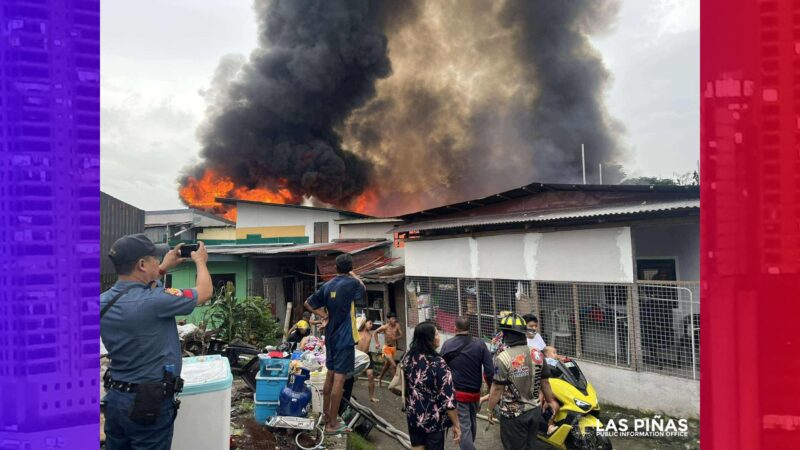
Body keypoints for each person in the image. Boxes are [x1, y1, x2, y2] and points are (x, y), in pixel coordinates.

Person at [101, 236, 212, 449]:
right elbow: (205, 292)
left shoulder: (102, 302)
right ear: (142, 264)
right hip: (148, 402)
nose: (158, 262)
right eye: (155, 259)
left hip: (115, 398)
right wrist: (200, 261)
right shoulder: (156, 300)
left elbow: (138, 291)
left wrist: (162, 268)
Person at [304, 253, 365, 435]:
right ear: (350, 267)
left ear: (335, 268)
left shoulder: (327, 285)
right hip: (345, 338)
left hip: (330, 336)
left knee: (329, 375)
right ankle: (332, 424)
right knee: (339, 379)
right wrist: (353, 274)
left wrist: (325, 316)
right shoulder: (352, 283)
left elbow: (308, 303)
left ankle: (325, 416)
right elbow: (362, 287)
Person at [485, 313, 558, 450]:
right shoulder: (537, 354)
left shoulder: (503, 358)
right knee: (531, 446)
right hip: (534, 411)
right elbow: (545, 383)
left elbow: (497, 388)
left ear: (505, 334)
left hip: (513, 416)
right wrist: (550, 401)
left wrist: (490, 409)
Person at [401, 321, 461, 450]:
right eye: (437, 334)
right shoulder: (438, 363)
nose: (439, 337)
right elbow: (448, 399)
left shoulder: (408, 357)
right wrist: (456, 424)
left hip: (414, 416)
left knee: (417, 447)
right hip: (433, 420)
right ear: (429, 339)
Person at [440, 317, 494, 450]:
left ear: (455, 328)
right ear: (469, 328)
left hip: (457, 394)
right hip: (475, 394)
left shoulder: (447, 344)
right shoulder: (480, 344)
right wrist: (491, 390)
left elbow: (441, 370)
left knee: (464, 428)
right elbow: (489, 371)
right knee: (471, 424)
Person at [375, 311, 403, 386]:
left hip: (393, 348)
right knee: (393, 365)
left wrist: (396, 338)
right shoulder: (385, 327)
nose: (394, 320)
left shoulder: (397, 325)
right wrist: (377, 343)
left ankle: (380, 377)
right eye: (392, 319)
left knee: (387, 365)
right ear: (389, 319)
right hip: (386, 348)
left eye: (395, 318)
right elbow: (375, 332)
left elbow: (401, 335)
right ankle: (395, 383)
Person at [356, 316, 380, 403]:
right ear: (364, 322)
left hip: (367, 355)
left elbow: (376, 332)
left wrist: (377, 343)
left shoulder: (370, 334)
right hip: (358, 356)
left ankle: (372, 397)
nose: (371, 325)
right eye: (370, 323)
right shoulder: (357, 332)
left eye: (372, 324)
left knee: (370, 376)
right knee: (351, 377)